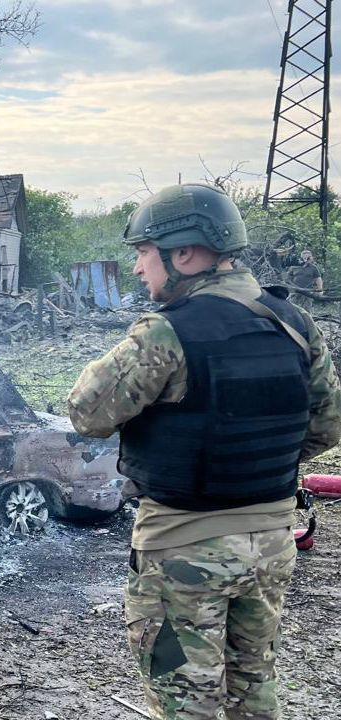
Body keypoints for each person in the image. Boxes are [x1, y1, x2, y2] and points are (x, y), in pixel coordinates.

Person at [67, 183, 341, 720]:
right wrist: (252, 469)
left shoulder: (167, 331)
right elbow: (328, 426)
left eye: (145, 253)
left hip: (182, 556)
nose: (140, 269)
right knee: (253, 687)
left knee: (179, 695)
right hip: (270, 546)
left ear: (185, 252)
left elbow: (87, 412)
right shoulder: (293, 323)